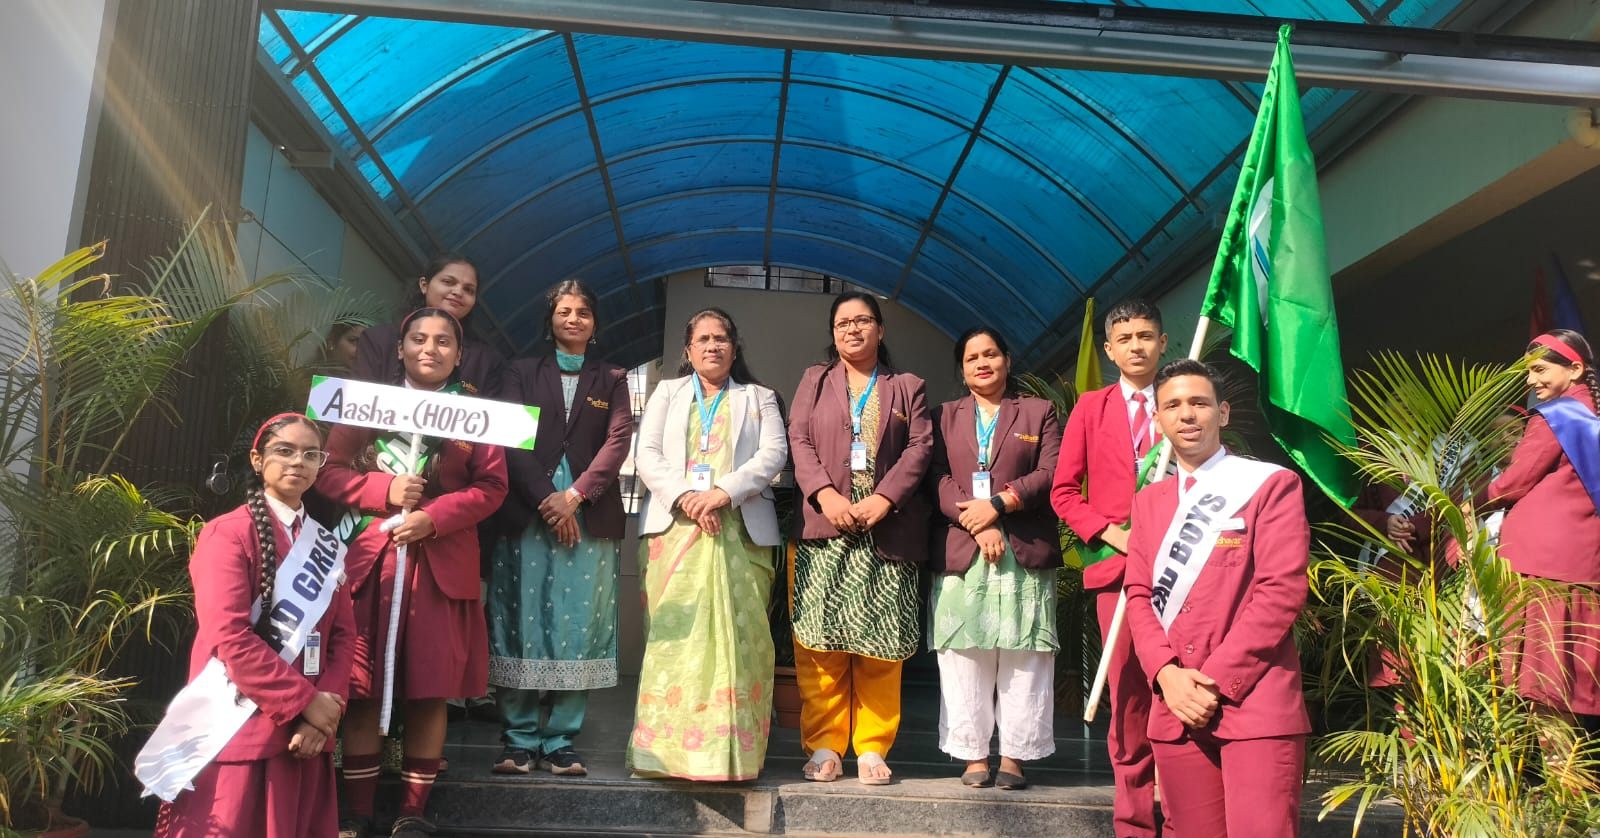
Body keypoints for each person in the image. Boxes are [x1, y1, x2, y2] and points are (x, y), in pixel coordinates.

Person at [316, 308, 508, 838]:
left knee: (429, 687)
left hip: (440, 563)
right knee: (361, 686)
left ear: (459, 354)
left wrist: (433, 517)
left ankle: (413, 811)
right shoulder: (367, 404)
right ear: (399, 348)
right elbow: (326, 469)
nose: (430, 348)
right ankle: (357, 812)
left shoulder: (477, 415)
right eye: (418, 339)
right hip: (371, 560)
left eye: (443, 341)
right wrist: (384, 490)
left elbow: (492, 487)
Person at [1122, 359, 1311, 837]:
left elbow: (1281, 591)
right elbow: (1139, 595)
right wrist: (1167, 675)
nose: (1186, 414)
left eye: (1199, 403)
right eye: (1172, 406)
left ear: (1222, 413)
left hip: (1255, 704)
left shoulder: (1269, 485)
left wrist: (1213, 681)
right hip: (1175, 708)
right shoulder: (1149, 501)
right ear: (1158, 419)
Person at [153, 414, 353, 838]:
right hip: (238, 727)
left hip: (305, 737)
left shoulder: (328, 545)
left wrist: (323, 716)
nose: (298, 462)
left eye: (311, 454)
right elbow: (229, 636)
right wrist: (305, 702)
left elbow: (343, 637)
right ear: (257, 460)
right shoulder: (227, 534)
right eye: (285, 451)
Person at [628, 307, 788, 781]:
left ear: (734, 349)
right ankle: (664, 754)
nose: (712, 346)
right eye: (703, 339)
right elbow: (646, 454)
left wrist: (722, 493)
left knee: (742, 645)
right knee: (673, 639)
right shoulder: (667, 393)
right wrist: (687, 498)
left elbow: (774, 454)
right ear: (688, 349)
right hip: (674, 530)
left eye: (721, 338)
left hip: (741, 530)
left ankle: (732, 758)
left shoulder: (759, 397)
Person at [488, 280, 633, 777]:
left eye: (583, 312)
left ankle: (562, 741)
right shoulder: (521, 371)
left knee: (578, 623)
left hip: (588, 514)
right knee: (520, 617)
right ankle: (518, 739)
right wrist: (547, 500)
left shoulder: (612, 377)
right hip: (527, 511)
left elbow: (618, 441)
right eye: (564, 311)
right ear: (549, 320)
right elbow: (511, 438)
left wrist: (574, 497)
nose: (574, 319)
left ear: (595, 323)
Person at [787, 291, 932, 785]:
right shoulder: (814, 380)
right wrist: (825, 495)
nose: (853, 329)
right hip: (824, 529)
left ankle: (872, 746)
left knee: (881, 644)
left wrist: (884, 499)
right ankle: (824, 744)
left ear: (880, 329)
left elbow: (920, 447)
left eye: (863, 320)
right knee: (820, 643)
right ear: (833, 333)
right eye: (843, 322)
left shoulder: (907, 387)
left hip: (885, 530)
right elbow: (799, 439)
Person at [1048, 298, 1167, 836]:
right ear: (1109, 350)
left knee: (1180, 689)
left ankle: (1183, 811)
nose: (1136, 346)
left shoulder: (1181, 400)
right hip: (1117, 574)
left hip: (1183, 569)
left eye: (1145, 336)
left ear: (1163, 342)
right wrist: (1110, 533)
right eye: (1125, 339)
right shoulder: (1090, 409)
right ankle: (1135, 821)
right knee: (1128, 695)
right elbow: (1064, 492)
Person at [927, 327, 1062, 790]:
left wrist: (1000, 504)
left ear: (1007, 359)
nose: (982, 363)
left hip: (1023, 549)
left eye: (990, 354)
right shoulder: (943, 416)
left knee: (1025, 654)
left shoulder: (1039, 411)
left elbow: (1050, 470)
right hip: (965, 548)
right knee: (964, 653)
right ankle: (972, 755)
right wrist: (978, 522)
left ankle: (1015, 756)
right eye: (972, 358)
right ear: (962, 369)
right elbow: (935, 476)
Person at [1479, 329, 1600, 721]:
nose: (1531, 380)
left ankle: (1560, 767)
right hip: (1580, 571)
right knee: (1563, 697)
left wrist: (1467, 504)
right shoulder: (1591, 418)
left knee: (1544, 699)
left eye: (1540, 370)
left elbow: (1511, 483)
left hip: (1541, 572)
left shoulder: (1557, 417)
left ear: (1575, 369)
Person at [351, 254, 505, 397]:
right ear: (424, 285)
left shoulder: (486, 360)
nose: (458, 292)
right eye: (448, 282)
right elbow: (358, 402)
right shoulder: (378, 339)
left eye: (468, 290)